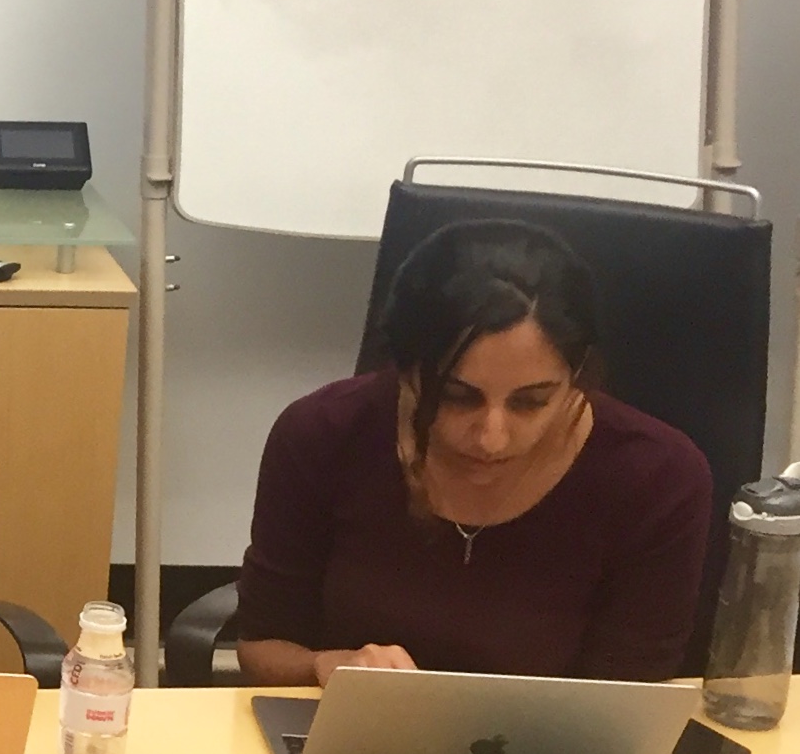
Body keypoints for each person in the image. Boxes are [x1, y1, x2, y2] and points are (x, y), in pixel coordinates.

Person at [233, 220, 709, 686]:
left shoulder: (656, 476)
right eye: (457, 396)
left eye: (532, 401)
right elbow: (262, 649)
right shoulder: (323, 434)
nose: (491, 438)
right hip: (352, 740)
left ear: (577, 375)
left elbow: (629, 699)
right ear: (405, 371)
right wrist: (328, 666)